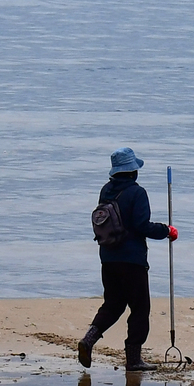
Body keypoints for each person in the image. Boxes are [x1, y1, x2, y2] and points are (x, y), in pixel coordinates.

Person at [77, 147, 177, 372]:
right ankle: (133, 359)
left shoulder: (106, 191)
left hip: (108, 258)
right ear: (133, 171)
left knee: (113, 305)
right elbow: (142, 225)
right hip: (132, 261)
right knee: (140, 308)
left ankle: (88, 340)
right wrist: (166, 230)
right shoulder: (137, 193)